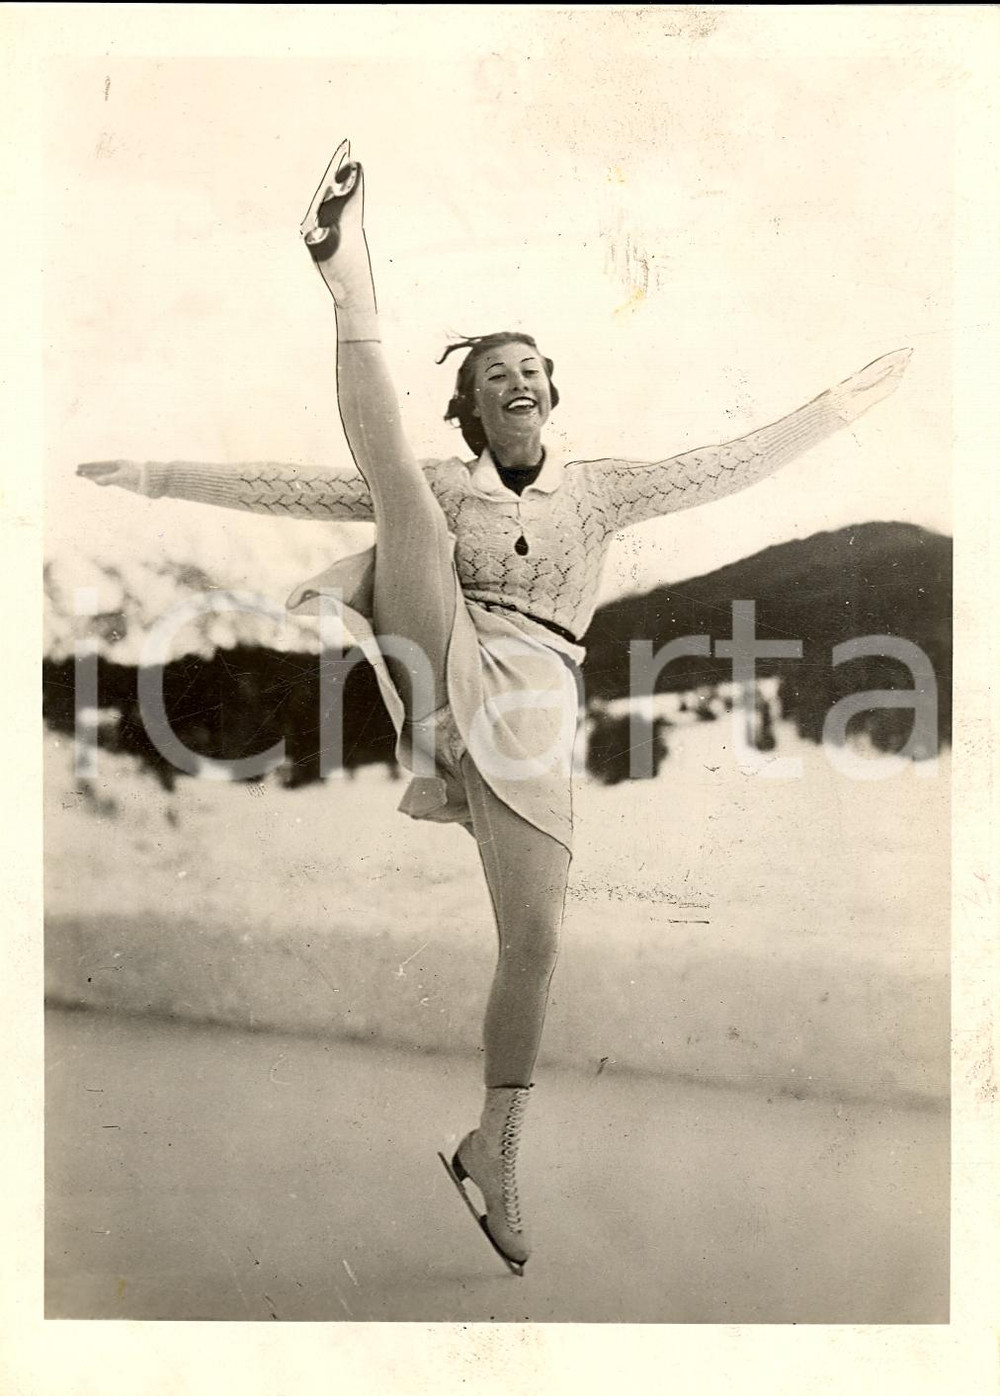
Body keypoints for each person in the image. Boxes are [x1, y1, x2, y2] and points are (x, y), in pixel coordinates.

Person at [77, 140, 911, 1275]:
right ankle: (349, 282)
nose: (515, 381)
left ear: (551, 392)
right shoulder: (445, 480)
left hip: (534, 703)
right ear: (470, 407)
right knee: (406, 506)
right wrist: (159, 476)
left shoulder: (600, 492)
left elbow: (726, 464)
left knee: (536, 943)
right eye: (492, 375)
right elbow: (299, 486)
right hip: (442, 642)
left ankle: (495, 1149)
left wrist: (839, 405)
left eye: (529, 369)